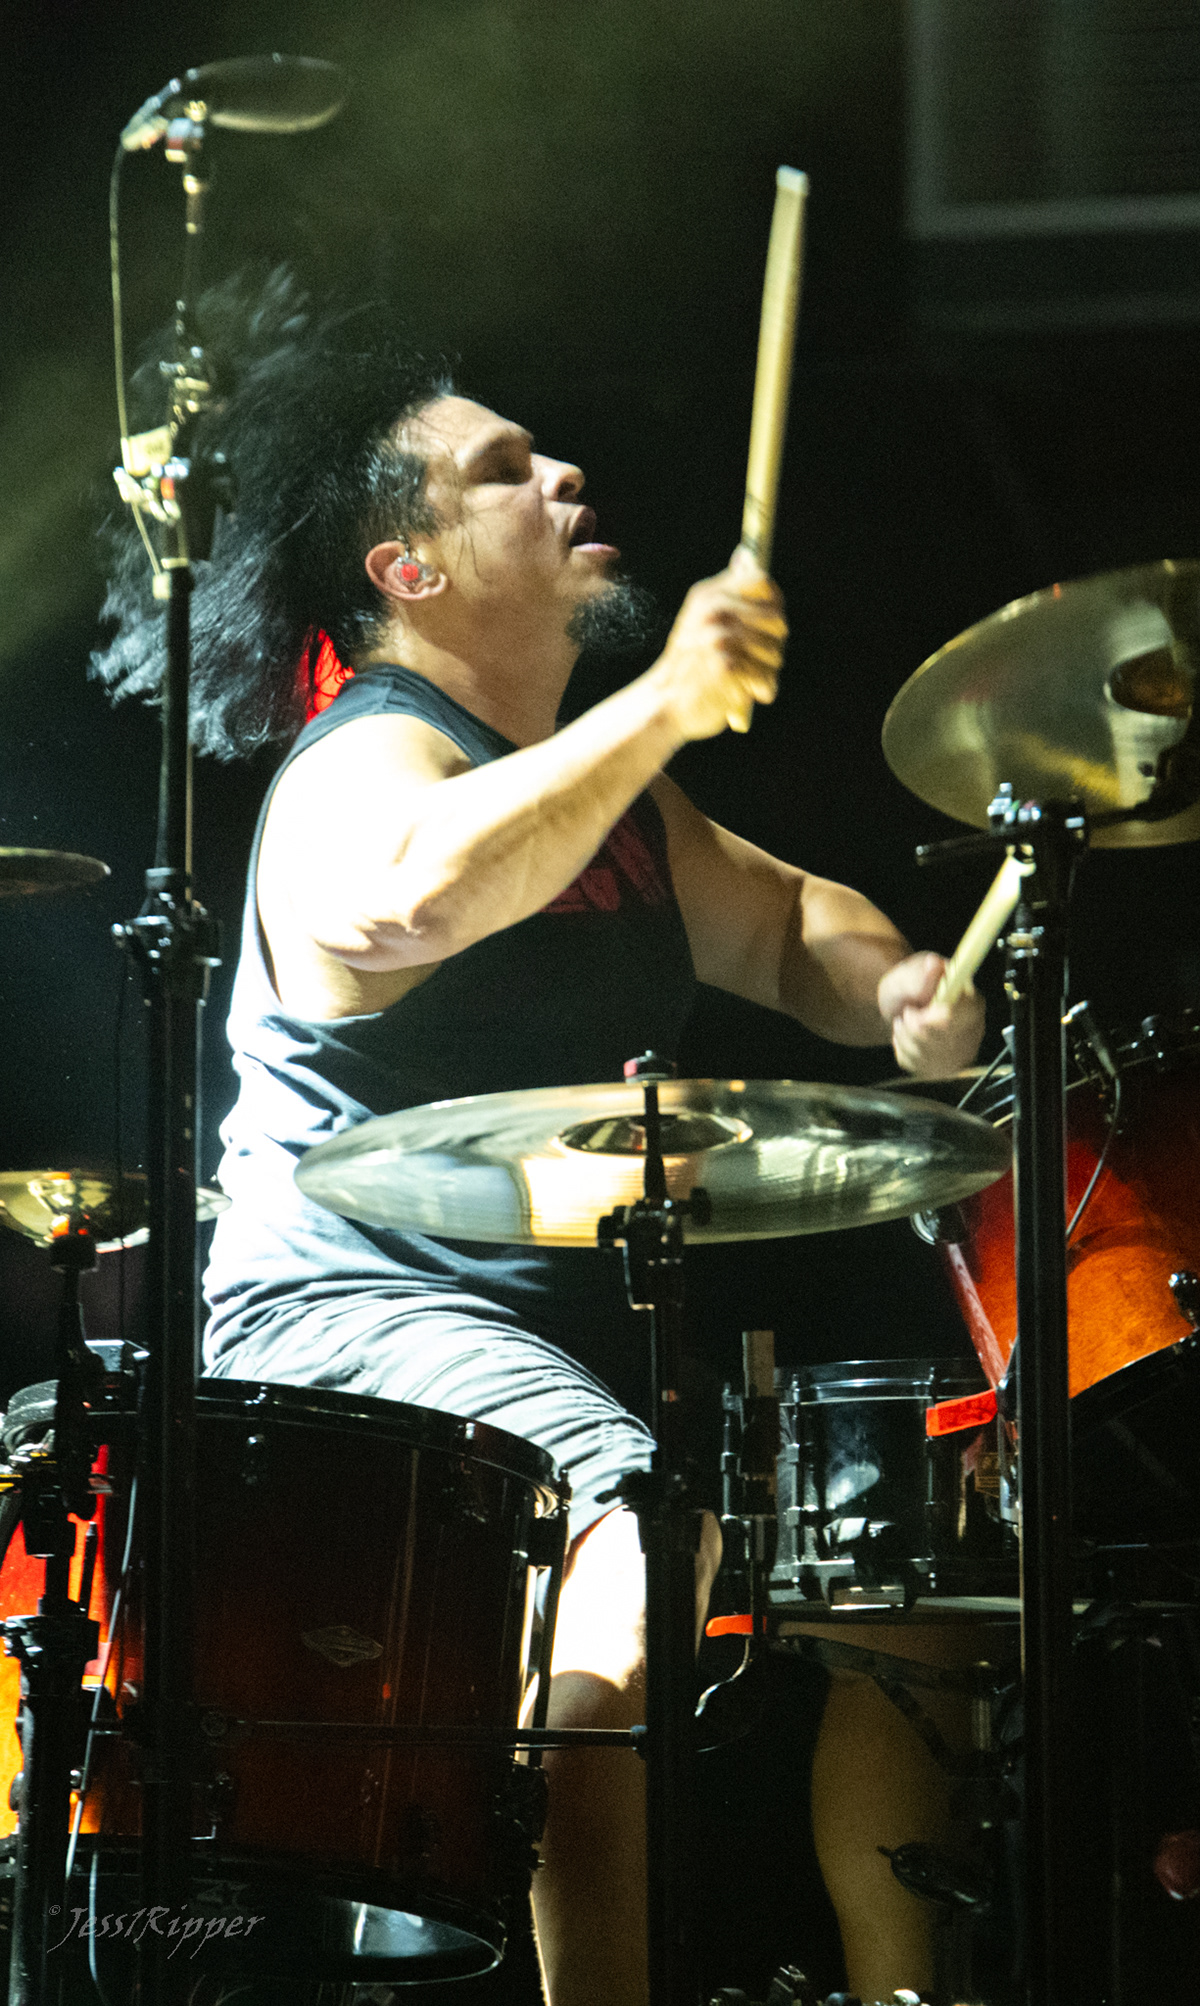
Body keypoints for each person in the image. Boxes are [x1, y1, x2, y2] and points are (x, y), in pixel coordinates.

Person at [94, 276, 985, 2005]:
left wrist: (899, 991)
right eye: (505, 469)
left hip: (559, 1326)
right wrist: (665, 700)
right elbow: (410, 896)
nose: (564, 473)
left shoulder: (603, 789)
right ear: (408, 568)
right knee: (634, 1547)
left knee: (908, 1608)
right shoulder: (362, 763)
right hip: (351, 1316)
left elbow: (785, 921)